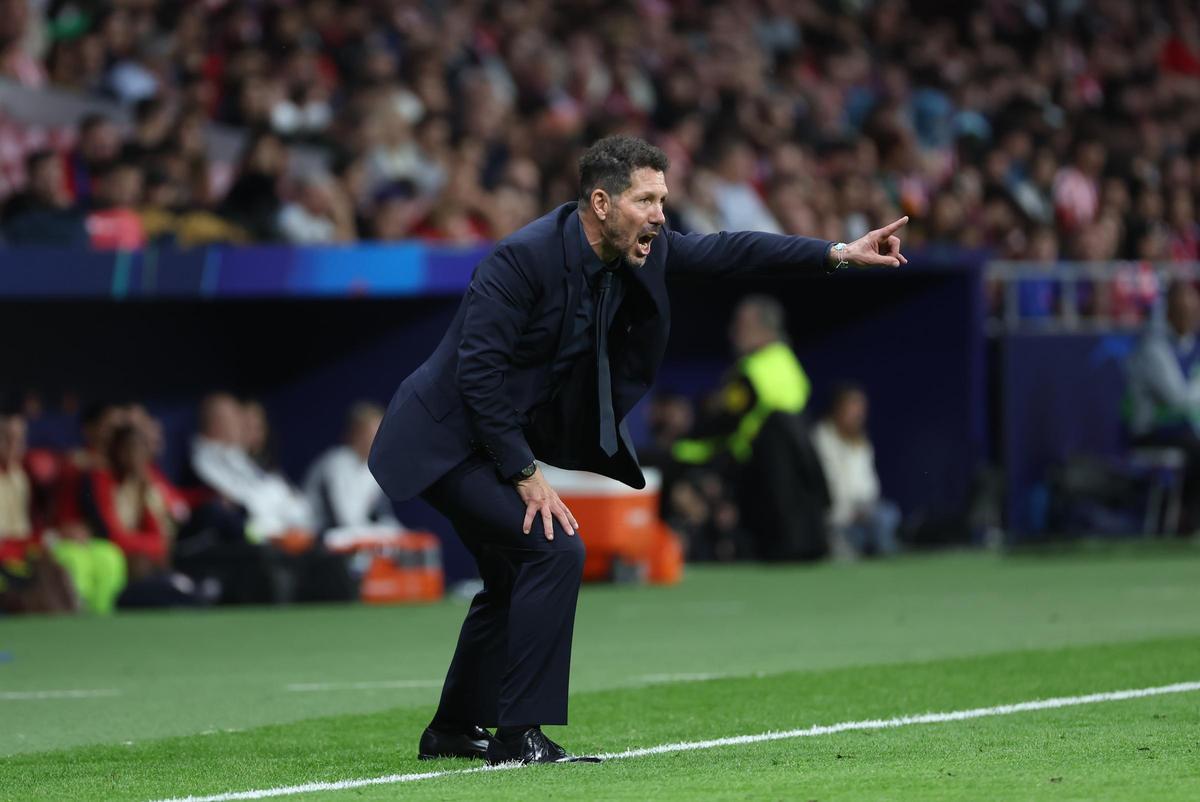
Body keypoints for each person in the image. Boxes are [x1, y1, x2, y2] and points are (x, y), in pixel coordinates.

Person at [368, 135, 907, 765]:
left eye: (663, 199)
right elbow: (476, 376)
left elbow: (731, 250)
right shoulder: (519, 261)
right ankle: (518, 737)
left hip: (494, 436)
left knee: (513, 574)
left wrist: (838, 253)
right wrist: (524, 473)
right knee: (554, 548)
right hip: (444, 437)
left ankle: (454, 728)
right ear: (600, 202)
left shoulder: (639, 252)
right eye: (646, 200)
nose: (660, 214)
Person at [672, 295, 829, 561]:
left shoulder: (752, 371)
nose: (733, 331)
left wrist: (679, 449)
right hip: (798, 493)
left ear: (761, 328)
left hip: (758, 479)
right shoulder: (788, 362)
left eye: (741, 324)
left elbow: (722, 426)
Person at [1126, 280, 1200, 530]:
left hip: (1185, 432)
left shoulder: (1194, 345)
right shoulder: (1154, 348)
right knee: (1196, 447)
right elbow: (1177, 398)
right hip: (1150, 433)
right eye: (1181, 311)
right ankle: (1190, 523)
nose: (1188, 317)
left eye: (1192, 311)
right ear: (1168, 312)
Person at [812, 385, 901, 559]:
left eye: (860, 410)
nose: (858, 415)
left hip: (863, 516)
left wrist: (864, 507)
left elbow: (869, 485)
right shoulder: (821, 440)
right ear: (837, 409)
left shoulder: (862, 443)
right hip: (835, 521)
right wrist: (847, 512)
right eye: (852, 409)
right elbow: (828, 486)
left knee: (888, 513)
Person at [304, 402, 397, 534]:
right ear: (356, 434)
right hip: (315, 536)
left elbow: (382, 516)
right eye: (373, 433)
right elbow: (344, 521)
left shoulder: (371, 468)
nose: (380, 439)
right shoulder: (336, 463)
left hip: (348, 535)